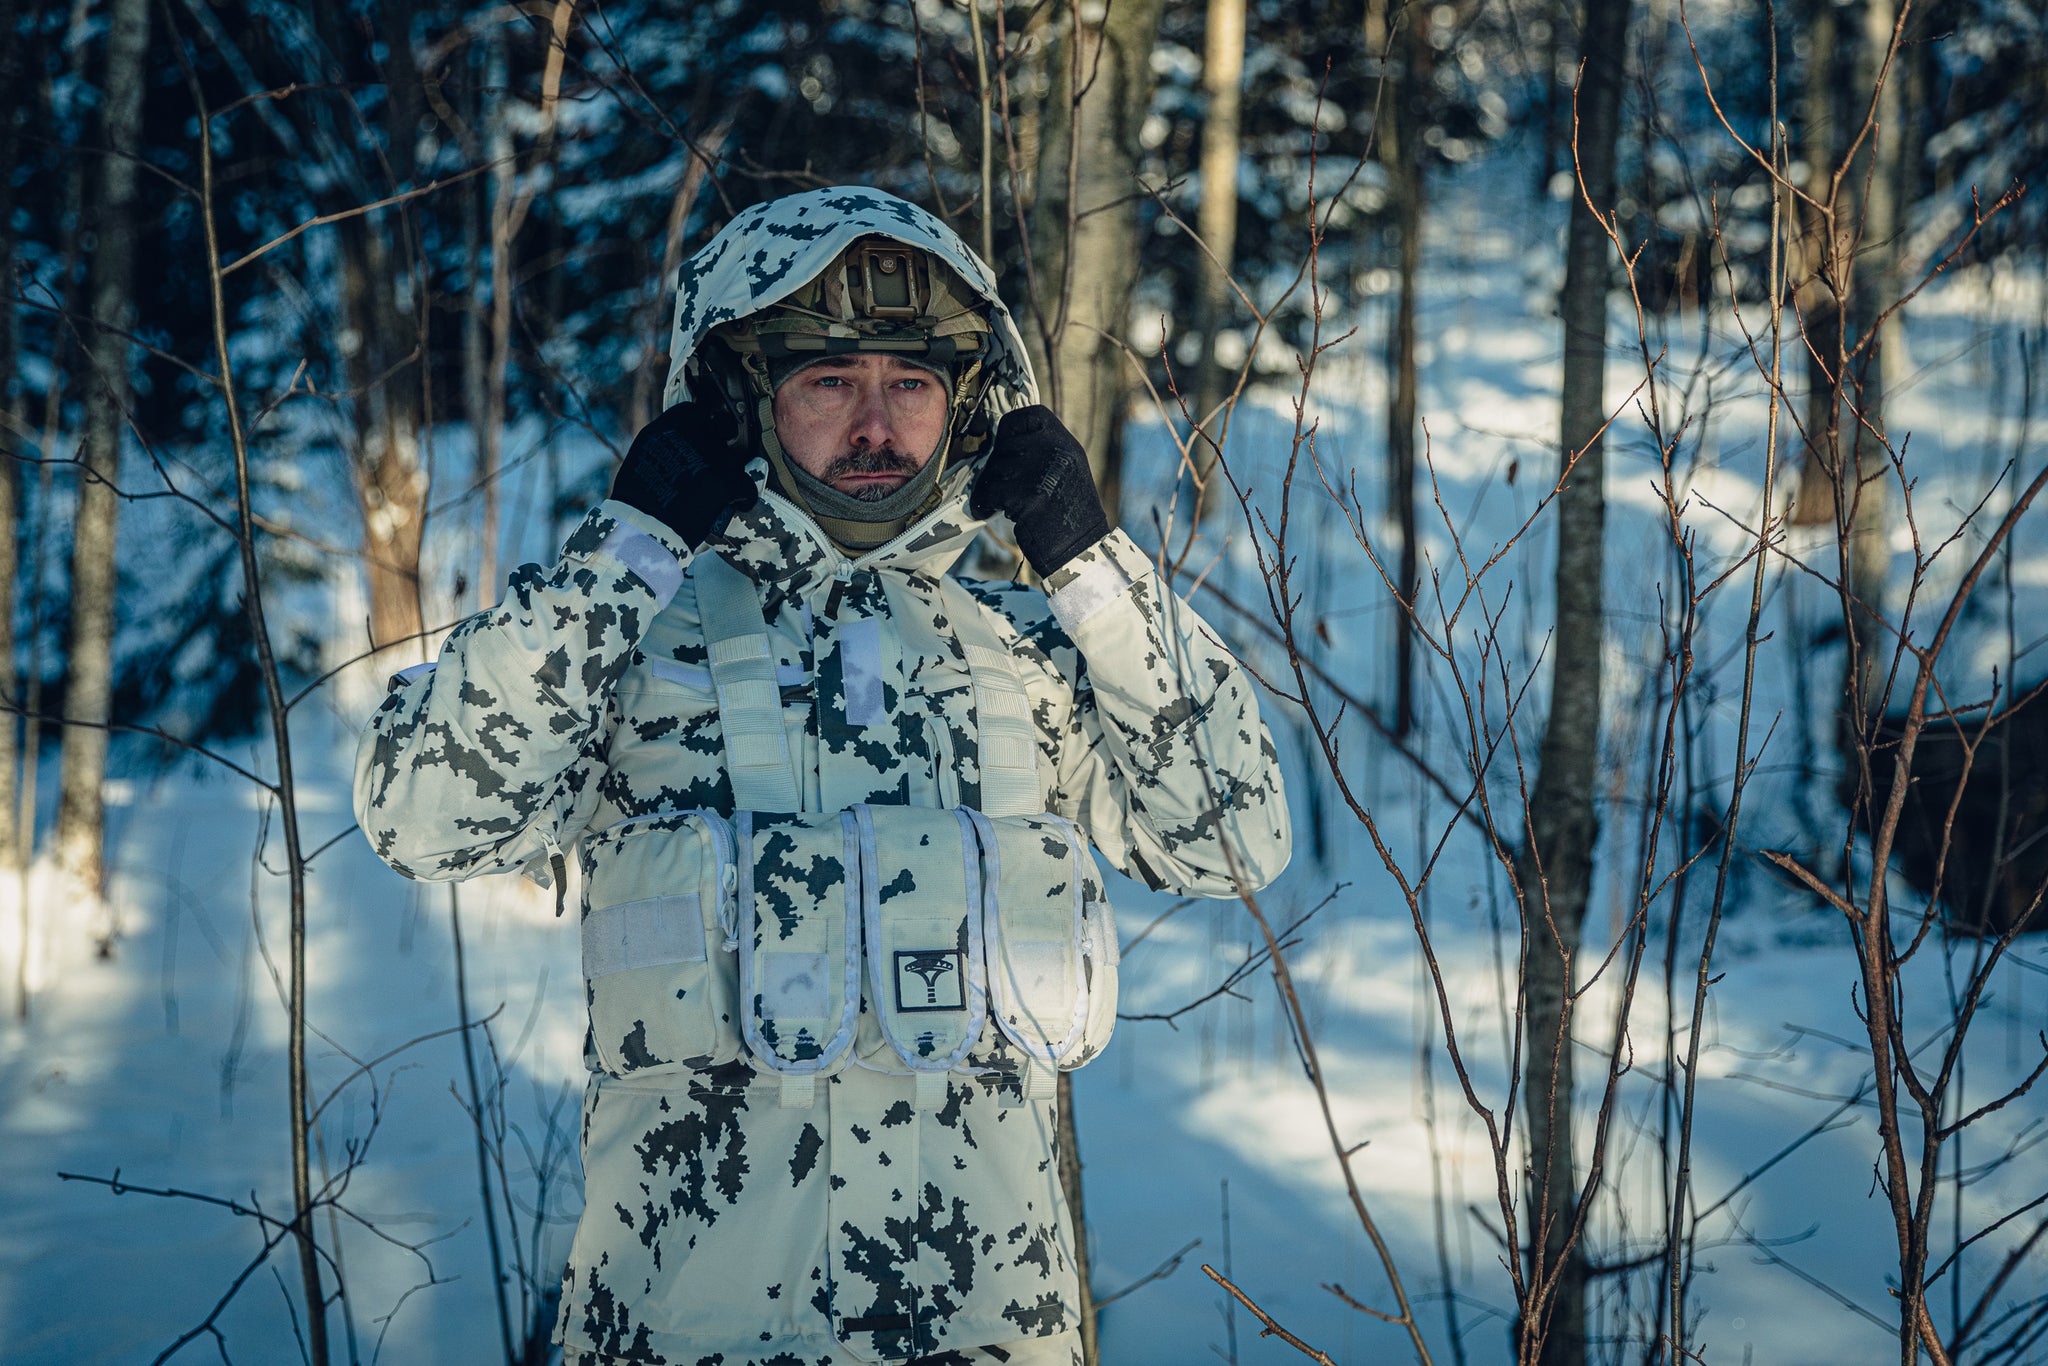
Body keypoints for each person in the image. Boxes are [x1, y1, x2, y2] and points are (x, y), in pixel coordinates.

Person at [353, 186, 1291, 1366]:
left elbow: (1232, 840)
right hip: (680, 1336)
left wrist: (1091, 566)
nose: (874, 426)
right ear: (744, 404)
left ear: (963, 406)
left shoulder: (1031, 654)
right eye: (826, 381)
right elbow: (417, 818)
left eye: (910, 383)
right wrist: (629, 552)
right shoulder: (632, 648)